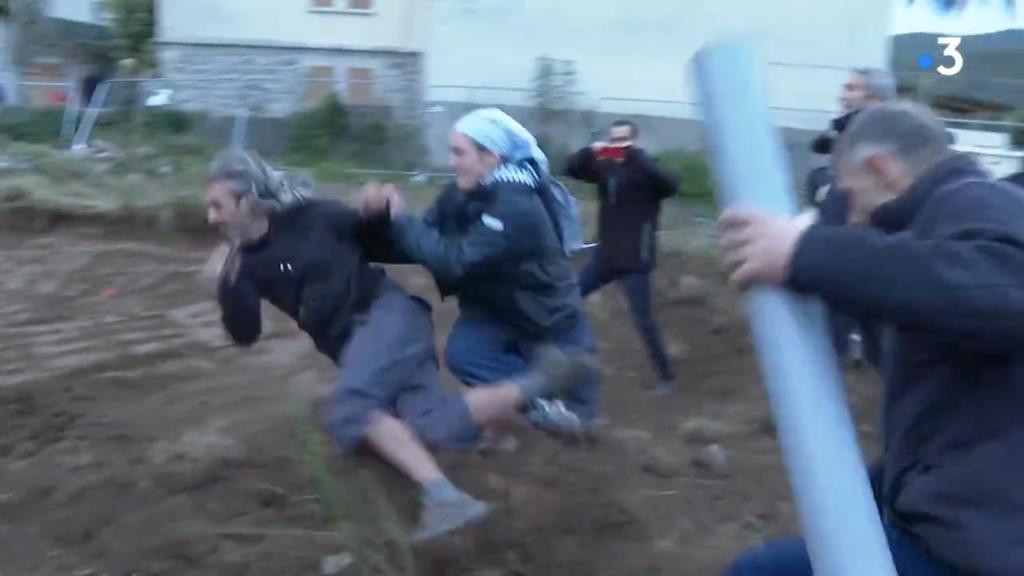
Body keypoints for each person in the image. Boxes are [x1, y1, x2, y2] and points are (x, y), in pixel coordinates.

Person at [201, 149, 592, 542]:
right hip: (358, 346)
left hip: (386, 318)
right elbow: (245, 332)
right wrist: (225, 286)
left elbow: (379, 242)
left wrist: (378, 212)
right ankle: (546, 376)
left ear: (247, 201)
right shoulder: (245, 265)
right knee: (431, 428)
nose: (211, 218)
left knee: (350, 409)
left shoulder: (314, 217)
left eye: (218, 206)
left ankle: (444, 499)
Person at [719, 100, 1024, 576]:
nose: (853, 217)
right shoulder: (944, 223)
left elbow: (1003, 294)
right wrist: (859, 493)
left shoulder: (980, 202)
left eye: (850, 195)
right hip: (971, 531)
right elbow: (951, 421)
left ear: (881, 170)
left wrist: (804, 252)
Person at [359, 107, 602, 436]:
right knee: (467, 353)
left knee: (583, 422)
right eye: (450, 151)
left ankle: (557, 413)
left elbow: (456, 260)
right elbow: (417, 243)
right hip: (497, 311)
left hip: (547, 318)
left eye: (459, 152)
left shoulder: (515, 205)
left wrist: (402, 221)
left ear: (492, 158)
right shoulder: (459, 196)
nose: (450, 162)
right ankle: (540, 406)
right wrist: (378, 222)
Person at [564, 120, 680, 395]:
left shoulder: (648, 169)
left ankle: (666, 379)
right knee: (568, 298)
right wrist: (591, 151)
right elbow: (571, 168)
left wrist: (637, 157)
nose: (620, 144)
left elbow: (671, 184)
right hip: (607, 255)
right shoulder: (607, 169)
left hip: (635, 260)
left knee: (642, 319)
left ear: (636, 140)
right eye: (614, 139)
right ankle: (559, 361)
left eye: (624, 139)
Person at [807, 68, 896, 368]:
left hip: (859, 244)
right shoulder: (848, 131)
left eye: (851, 89)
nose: (842, 95)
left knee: (857, 327)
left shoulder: (881, 136)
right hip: (843, 241)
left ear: (874, 97)